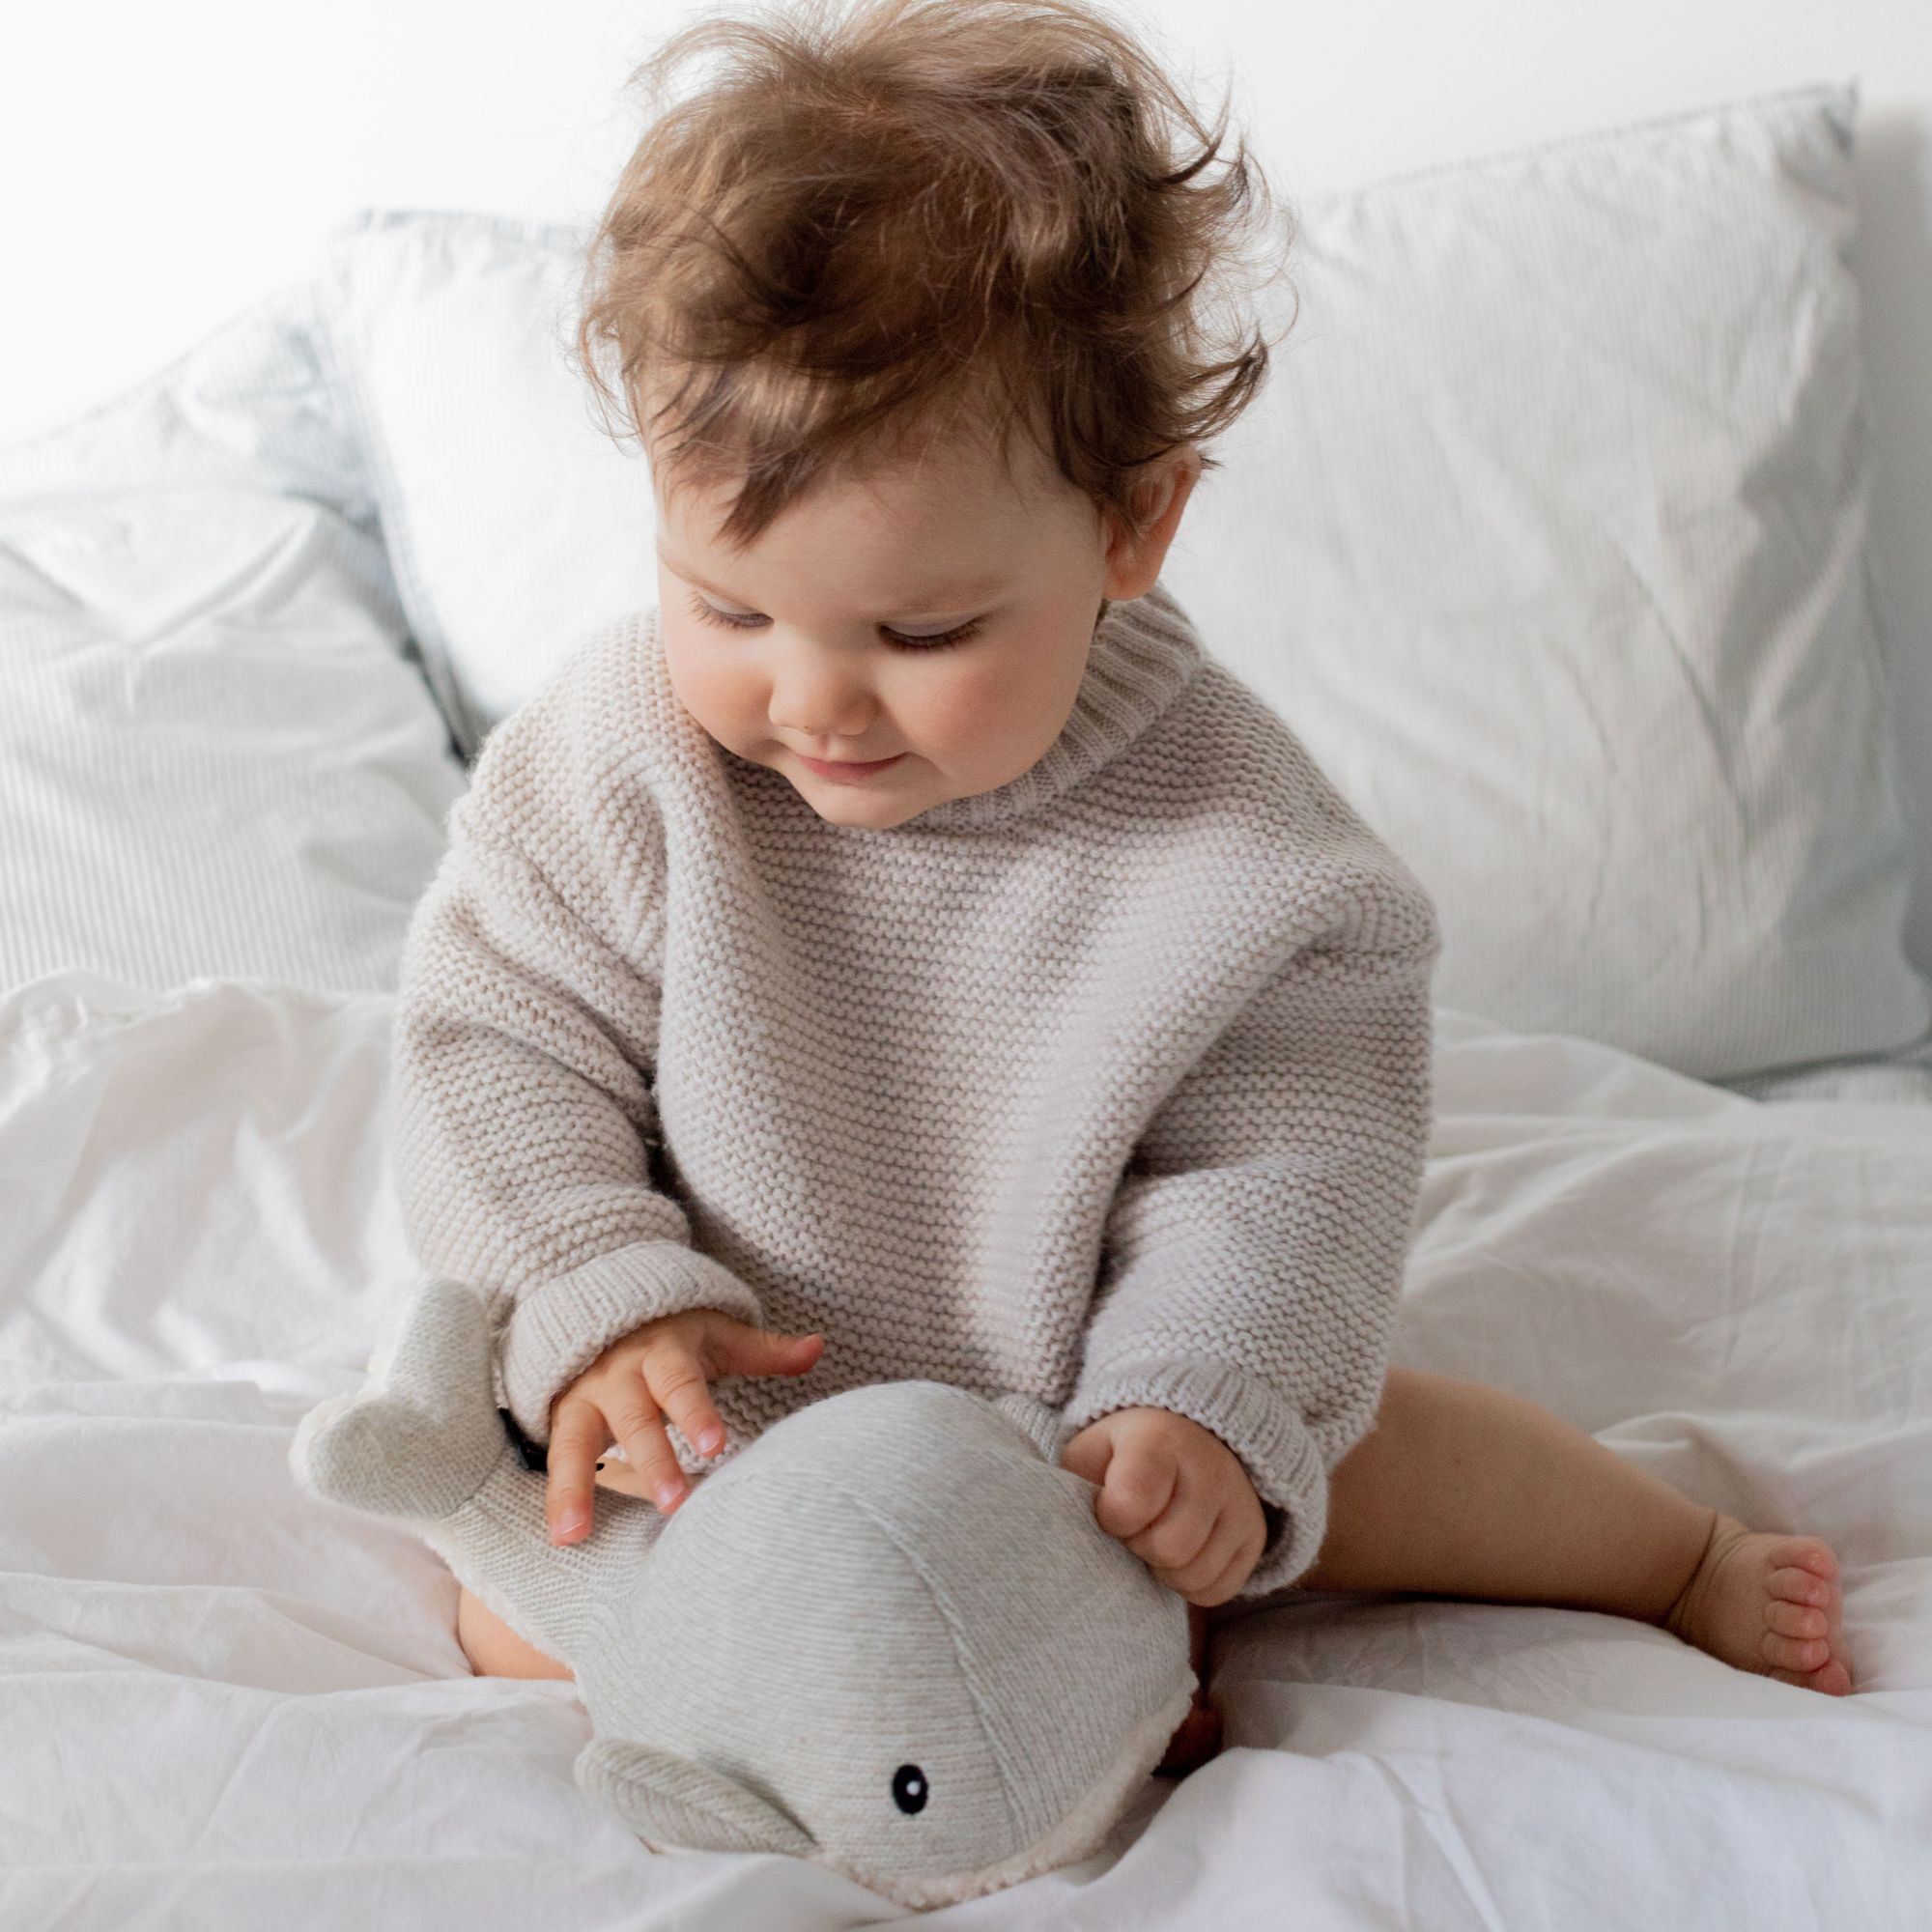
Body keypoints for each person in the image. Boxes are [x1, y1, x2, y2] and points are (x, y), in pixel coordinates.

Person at [389, 0, 1851, 1775]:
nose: (815, 699)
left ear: (1131, 526)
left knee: (1376, 1461)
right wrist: (602, 1295)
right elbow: (494, 1046)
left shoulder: (1251, 856)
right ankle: (937, 1716)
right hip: (730, 1410)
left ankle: (1672, 1552)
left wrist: (1197, 1405)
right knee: (516, 1611)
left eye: (924, 632)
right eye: (730, 607)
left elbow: (1289, 1167)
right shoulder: (615, 760)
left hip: (1073, 1418)